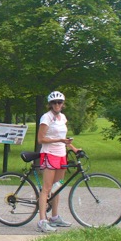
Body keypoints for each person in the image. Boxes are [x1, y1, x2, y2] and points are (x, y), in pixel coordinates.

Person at [36, 91, 81, 233]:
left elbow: (63, 136)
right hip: (49, 154)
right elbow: (41, 139)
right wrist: (59, 140)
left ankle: (54, 217)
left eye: (59, 102)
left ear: (63, 104)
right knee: (47, 188)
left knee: (57, 187)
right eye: (54, 103)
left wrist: (74, 148)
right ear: (50, 104)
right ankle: (42, 220)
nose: (57, 105)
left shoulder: (62, 118)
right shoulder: (46, 117)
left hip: (61, 154)